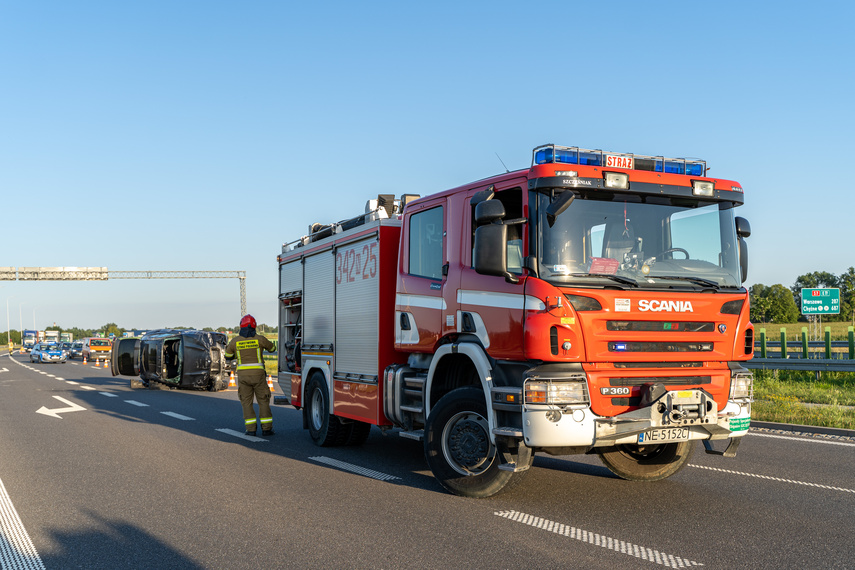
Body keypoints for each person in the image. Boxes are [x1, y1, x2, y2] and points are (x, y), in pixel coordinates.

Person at [224, 314, 277, 436]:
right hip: (258, 376)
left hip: (243, 376)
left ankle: (251, 429)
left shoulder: (235, 341)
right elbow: (272, 348)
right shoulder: (260, 339)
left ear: (241, 326)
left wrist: (236, 354)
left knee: (246, 403)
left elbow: (228, 356)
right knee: (263, 401)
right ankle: (267, 429)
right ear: (254, 326)